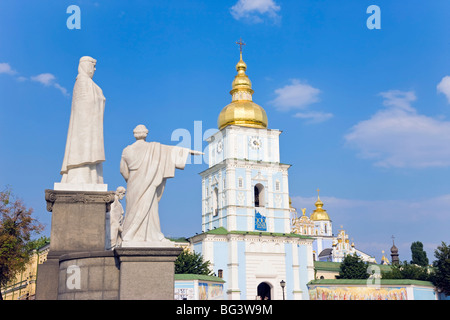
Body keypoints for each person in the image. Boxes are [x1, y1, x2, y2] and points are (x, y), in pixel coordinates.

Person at [120, 125, 202, 246]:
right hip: (148, 183)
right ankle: (151, 235)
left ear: (134, 134)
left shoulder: (127, 150)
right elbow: (171, 150)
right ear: (146, 134)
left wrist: (132, 180)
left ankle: (134, 235)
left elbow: (123, 170)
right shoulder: (154, 147)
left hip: (133, 183)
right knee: (150, 209)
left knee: (134, 209)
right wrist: (189, 152)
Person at [60, 56, 106, 185]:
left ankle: (90, 176)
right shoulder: (83, 81)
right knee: (83, 151)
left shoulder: (88, 83)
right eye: (93, 65)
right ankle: (79, 175)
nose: (95, 69)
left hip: (91, 126)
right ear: (86, 65)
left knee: (89, 153)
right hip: (84, 127)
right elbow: (85, 105)